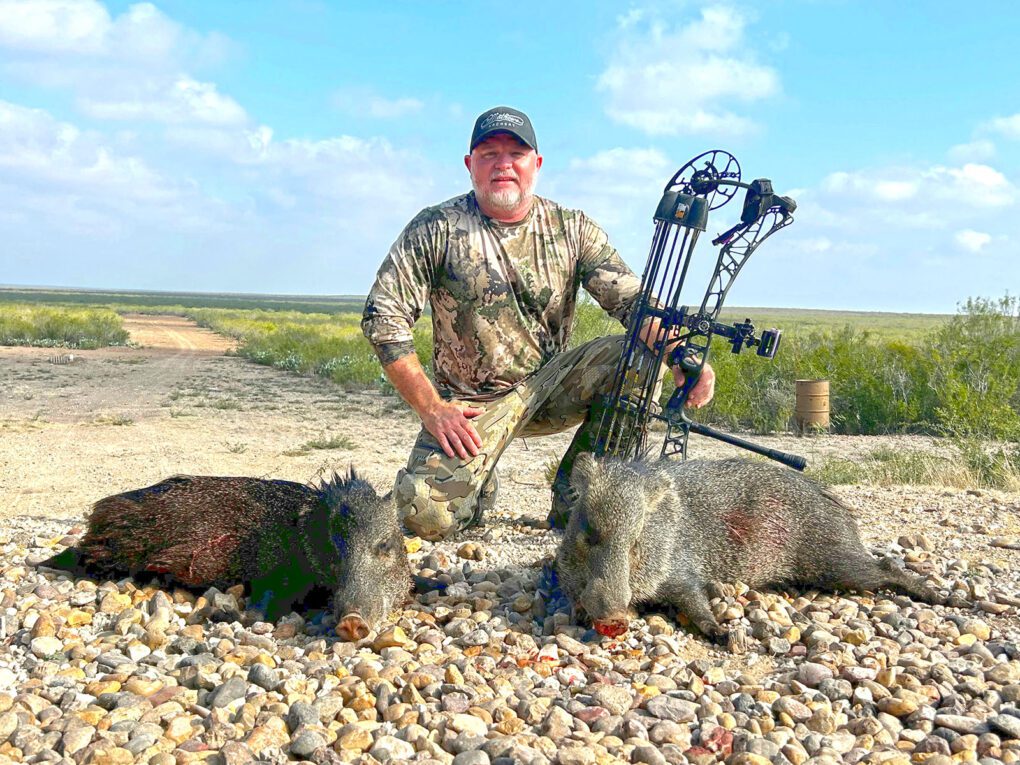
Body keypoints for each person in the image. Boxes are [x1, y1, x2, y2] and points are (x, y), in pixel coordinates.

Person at [361, 106, 715, 540]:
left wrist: (683, 354)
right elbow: (384, 317)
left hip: (550, 387)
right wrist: (433, 409)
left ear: (536, 164)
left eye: (516, 154)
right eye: (489, 154)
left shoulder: (572, 227)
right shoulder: (436, 227)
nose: (503, 165)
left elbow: (634, 304)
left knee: (641, 358)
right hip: (472, 406)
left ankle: (582, 501)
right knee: (423, 517)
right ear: (470, 165)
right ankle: (477, 482)